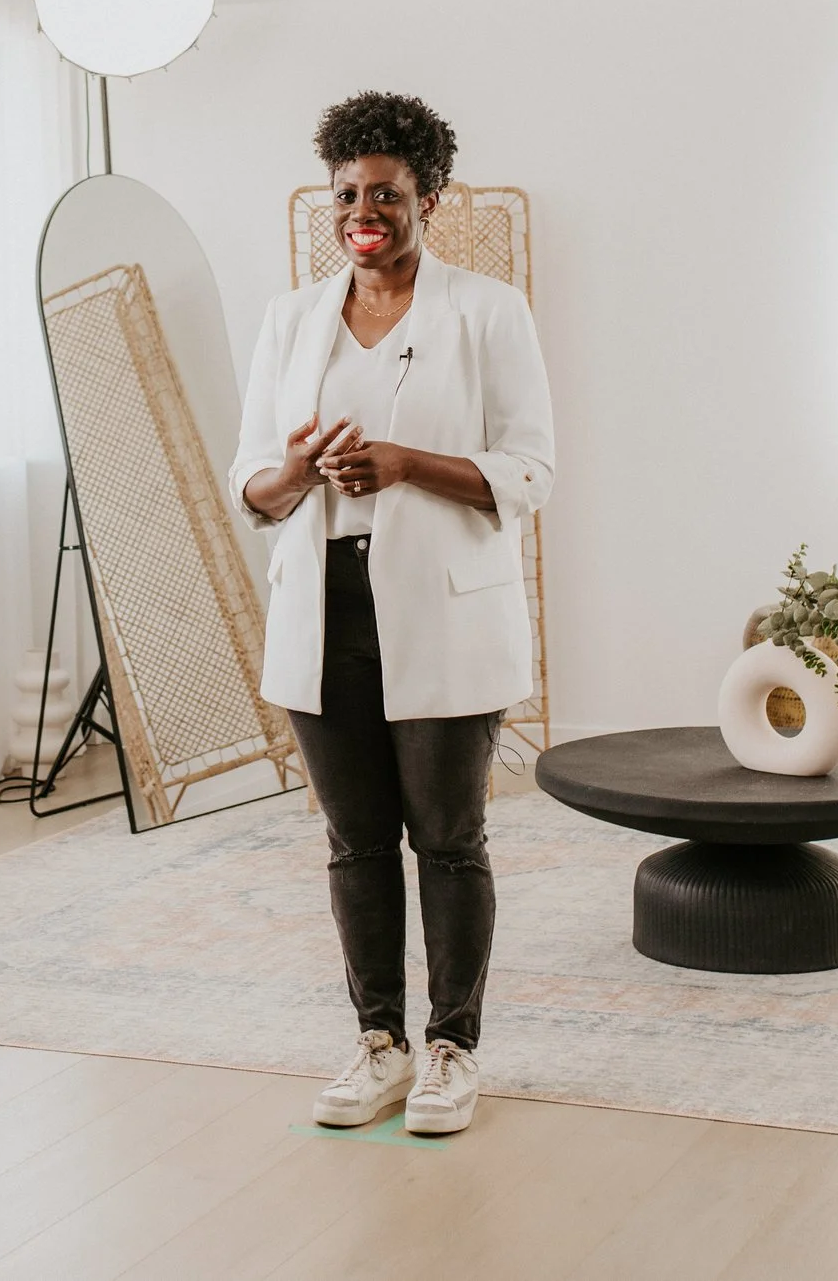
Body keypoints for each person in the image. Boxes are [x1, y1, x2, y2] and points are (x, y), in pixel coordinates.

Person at [231, 90, 555, 1138]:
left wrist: (403, 463)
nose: (362, 209)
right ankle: (379, 1041)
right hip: (322, 604)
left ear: (429, 198)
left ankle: (453, 1047)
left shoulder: (488, 309)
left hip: (442, 608)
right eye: (346, 193)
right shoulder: (289, 319)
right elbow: (249, 482)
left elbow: (531, 468)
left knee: (448, 837)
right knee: (354, 839)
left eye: (385, 192)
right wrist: (291, 471)